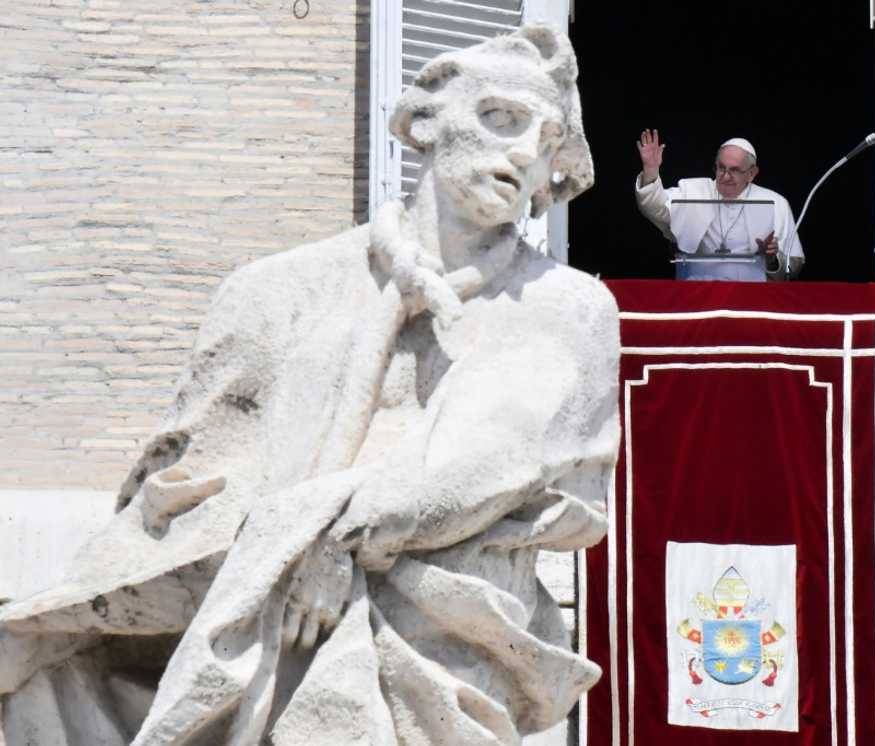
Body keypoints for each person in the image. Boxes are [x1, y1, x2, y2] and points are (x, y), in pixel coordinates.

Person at [0, 25, 619, 746]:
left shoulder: (563, 308)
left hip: (440, 633)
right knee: (58, 675)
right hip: (244, 604)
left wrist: (327, 539)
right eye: (501, 118)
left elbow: (487, 463)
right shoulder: (277, 290)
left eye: (546, 143)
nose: (521, 153)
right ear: (425, 121)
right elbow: (178, 483)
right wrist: (268, 551)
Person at [634, 129, 805, 281]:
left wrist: (772, 258)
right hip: (698, 292)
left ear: (752, 173)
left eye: (734, 170)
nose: (725, 176)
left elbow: (792, 268)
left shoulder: (776, 203)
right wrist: (651, 169)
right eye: (721, 168)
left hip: (752, 295)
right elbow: (655, 208)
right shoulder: (694, 191)